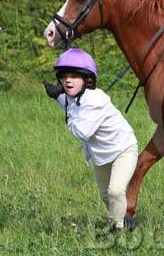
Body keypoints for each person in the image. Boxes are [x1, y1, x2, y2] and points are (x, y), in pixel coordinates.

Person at [43, 48, 138, 234]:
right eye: (64, 77)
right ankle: (125, 221)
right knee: (106, 196)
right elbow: (72, 107)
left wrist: (63, 103)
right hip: (101, 155)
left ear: (88, 80)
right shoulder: (74, 97)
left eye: (74, 76)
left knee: (115, 192)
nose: (67, 80)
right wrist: (59, 98)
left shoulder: (95, 100)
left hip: (123, 150)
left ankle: (117, 231)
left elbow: (82, 131)